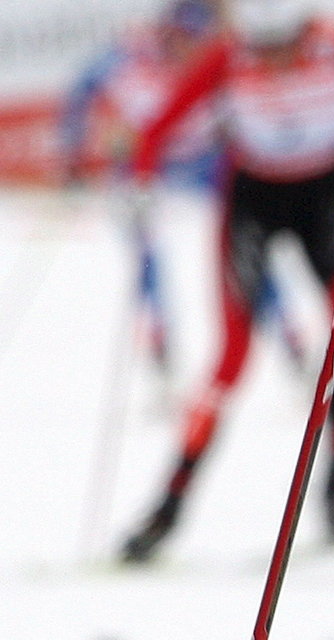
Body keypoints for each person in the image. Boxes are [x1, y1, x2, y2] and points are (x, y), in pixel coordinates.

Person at [120, 0, 334, 563]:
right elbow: (157, 127)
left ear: (307, 29)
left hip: (325, 199)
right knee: (231, 360)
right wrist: (143, 182)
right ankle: (166, 508)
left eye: (284, 46)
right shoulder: (229, 56)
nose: (272, 61)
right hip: (252, 202)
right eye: (262, 49)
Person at [59, 0, 223, 372]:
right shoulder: (130, 54)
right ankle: (158, 339)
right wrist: (74, 151)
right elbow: (82, 88)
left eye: (198, 39)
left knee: (239, 235)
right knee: (145, 248)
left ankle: (290, 336)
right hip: (141, 164)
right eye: (184, 37)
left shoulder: (216, 58)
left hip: (198, 163)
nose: (190, 48)